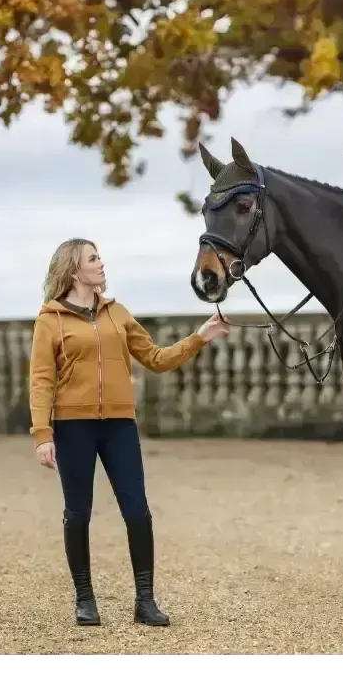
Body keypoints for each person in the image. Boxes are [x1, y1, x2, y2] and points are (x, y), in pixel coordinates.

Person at [28, 237, 230, 628]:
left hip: (120, 424)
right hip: (72, 427)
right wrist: (42, 434)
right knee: (78, 513)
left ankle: (145, 600)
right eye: (93, 258)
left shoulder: (116, 312)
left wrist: (199, 337)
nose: (101, 263)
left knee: (137, 510)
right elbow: (40, 380)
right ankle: (85, 600)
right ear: (74, 269)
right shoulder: (49, 319)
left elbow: (155, 358)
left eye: (99, 256)